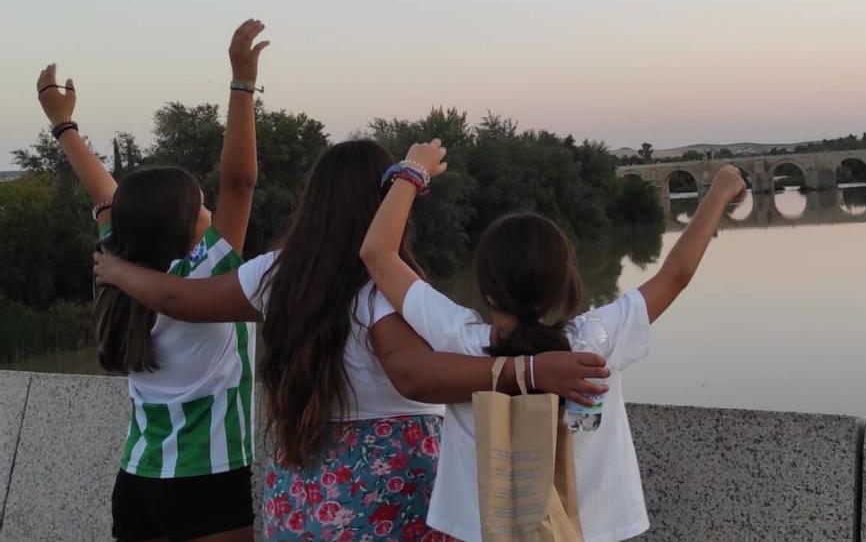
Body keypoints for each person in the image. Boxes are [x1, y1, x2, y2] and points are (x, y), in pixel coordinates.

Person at [93, 139, 610, 540]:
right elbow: (412, 374)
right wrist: (532, 371)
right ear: (379, 203)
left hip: (300, 492)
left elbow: (184, 300)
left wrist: (115, 269)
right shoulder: (385, 287)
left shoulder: (279, 274)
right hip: (387, 490)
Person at [360, 141, 748, 542]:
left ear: (486, 290)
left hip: (482, 531)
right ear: (565, 284)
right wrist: (718, 192)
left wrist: (413, 171)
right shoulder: (597, 340)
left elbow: (378, 253)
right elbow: (676, 274)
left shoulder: (458, 342)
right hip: (591, 531)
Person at [37, 19, 268, 541]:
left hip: (137, 477)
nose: (211, 207)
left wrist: (63, 125)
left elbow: (102, 196)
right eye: (201, 206)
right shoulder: (208, 272)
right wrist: (241, 83)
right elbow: (241, 181)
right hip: (207, 478)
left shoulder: (117, 269)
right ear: (187, 227)